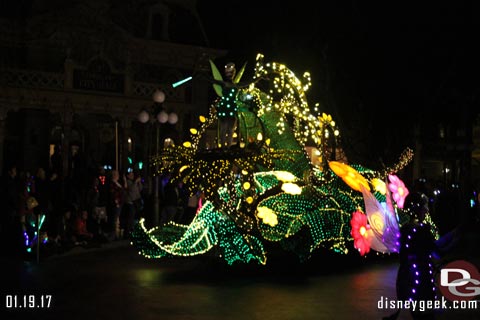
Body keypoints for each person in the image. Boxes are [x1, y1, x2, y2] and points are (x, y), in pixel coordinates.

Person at [384, 192, 437, 320]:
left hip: (411, 276)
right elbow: (434, 248)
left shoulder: (406, 229)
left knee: (418, 308)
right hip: (420, 276)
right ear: (417, 209)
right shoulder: (420, 230)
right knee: (422, 310)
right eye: (424, 208)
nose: (426, 211)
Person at [216, 62, 238, 148]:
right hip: (225, 108)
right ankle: (223, 148)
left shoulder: (235, 85)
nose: (230, 75)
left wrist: (258, 78)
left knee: (230, 130)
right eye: (228, 73)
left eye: (231, 73)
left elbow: (247, 82)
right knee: (224, 129)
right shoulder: (224, 83)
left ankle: (227, 148)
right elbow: (211, 79)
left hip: (231, 109)